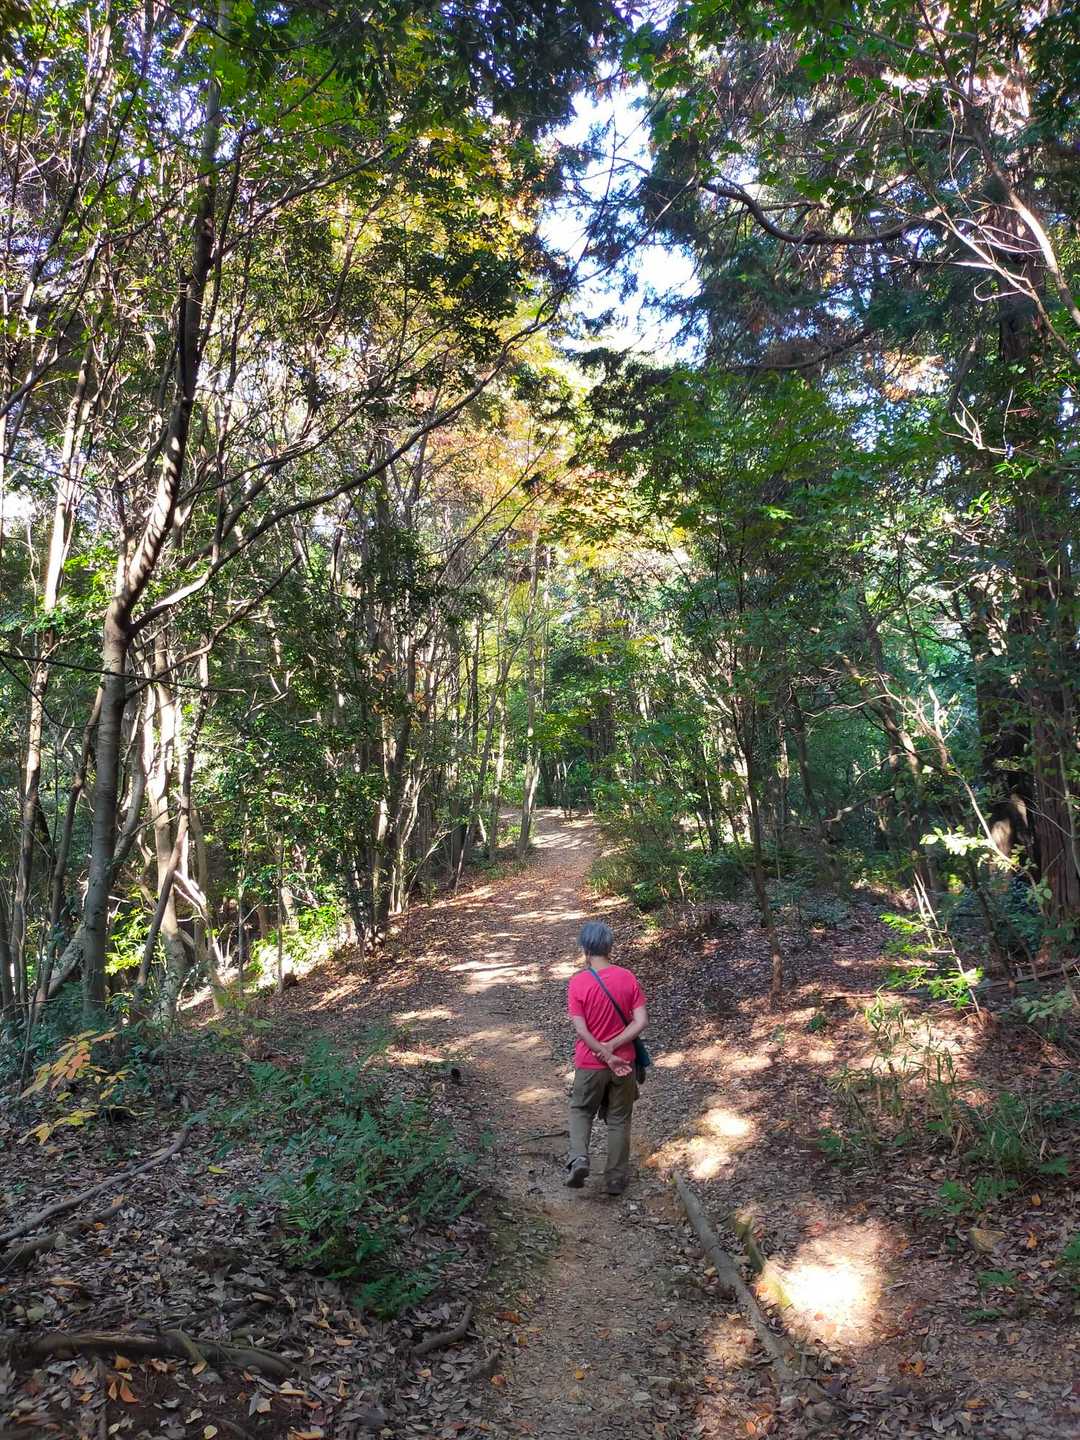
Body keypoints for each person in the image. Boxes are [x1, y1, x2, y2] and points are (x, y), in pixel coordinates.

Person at [564, 920, 647, 1195]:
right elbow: (641, 1021)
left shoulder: (578, 982)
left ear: (585, 949)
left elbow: (581, 1030)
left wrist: (603, 1052)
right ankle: (615, 1178)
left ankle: (579, 1158)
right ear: (609, 946)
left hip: (590, 1063)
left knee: (581, 1110)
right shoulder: (628, 978)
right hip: (625, 1064)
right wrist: (614, 1047)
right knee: (619, 1118)